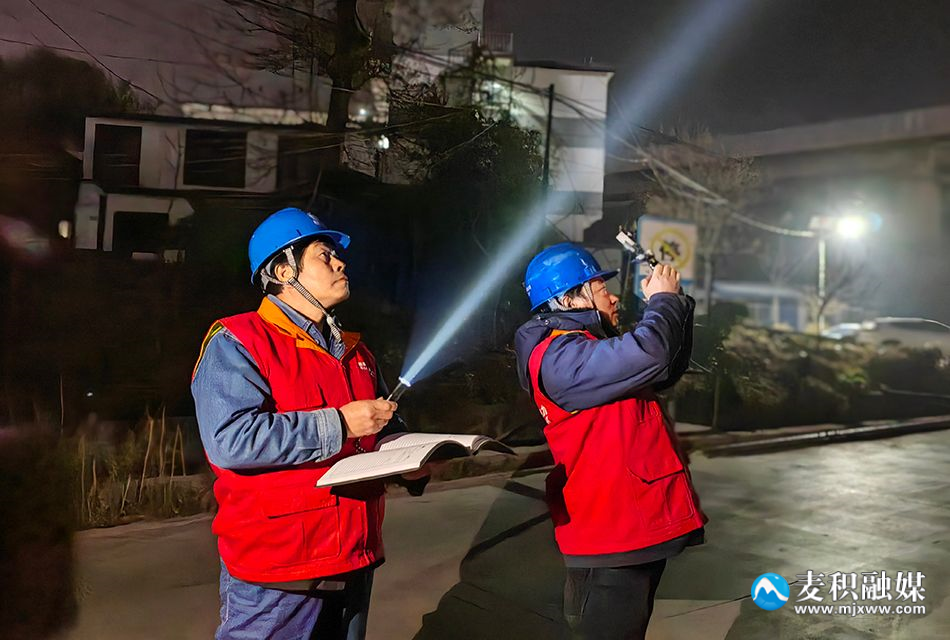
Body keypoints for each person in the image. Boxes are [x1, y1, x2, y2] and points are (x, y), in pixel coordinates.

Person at [192, 207, 424, 640]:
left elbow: (380, 428)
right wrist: (339, 424)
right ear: (283, 271)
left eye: (337, 254)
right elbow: (231, 440)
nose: (340, 263)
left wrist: (413, 459)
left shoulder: (356, 352)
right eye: (324, 255)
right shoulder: (238, 342)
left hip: (354, 554)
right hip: (279, 569)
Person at [514, 242, 707, 640]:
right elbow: (650, 354)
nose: (614, 297)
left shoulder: (583, 348)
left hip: (627, 531)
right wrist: (662, 302)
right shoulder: (559, 356)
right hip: (609, 538)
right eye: (602, 288)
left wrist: (675, 304)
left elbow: (662, 368)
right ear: (571, 298)